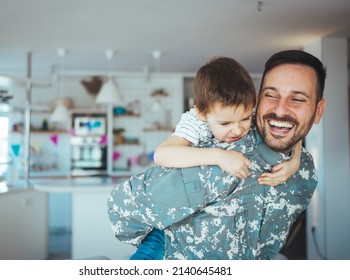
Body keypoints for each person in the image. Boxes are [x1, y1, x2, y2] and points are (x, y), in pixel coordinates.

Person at [107, 50, 326, 259]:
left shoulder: (304, 174)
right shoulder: (204, 131)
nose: (280, 109)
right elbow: (134, 193)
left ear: (318, 111)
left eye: (297, 99)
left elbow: (288, 138)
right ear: (260, 99)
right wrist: (218, 156)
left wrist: (295, 160)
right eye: (271, 95)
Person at [154, 56, 301, 185]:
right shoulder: (196, 123)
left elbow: (291, 130)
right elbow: (161, 155)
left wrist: (295, 162)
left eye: (245, 118)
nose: (238, 130)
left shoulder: (254, 113)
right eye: (225, 123)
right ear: (202, 114)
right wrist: (219, 156)